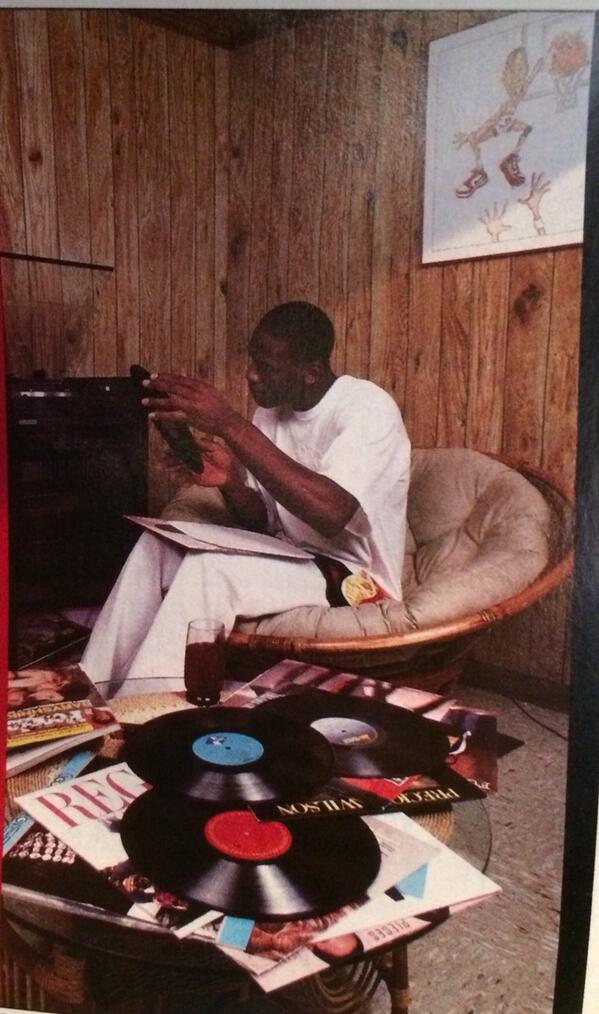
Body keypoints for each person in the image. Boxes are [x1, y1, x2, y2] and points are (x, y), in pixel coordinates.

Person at [81, 301, 411, 698]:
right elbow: (264, 521)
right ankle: (90, 694)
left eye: (267, 368)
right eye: (252, 360)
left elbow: (330, 514)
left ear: (311, 372)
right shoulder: (268, 416)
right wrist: (230, 481)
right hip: (295, 557)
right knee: (159, 543)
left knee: (209, 571)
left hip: (355, 578)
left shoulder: (368, 407)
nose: (251, 375)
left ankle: (144, 714)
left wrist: (230, 424)